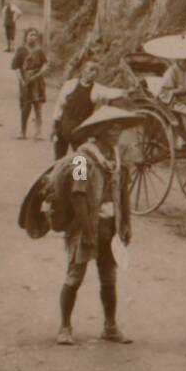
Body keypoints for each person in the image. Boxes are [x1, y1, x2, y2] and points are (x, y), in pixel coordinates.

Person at [57, 106, 139, 346]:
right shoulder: (83, 158)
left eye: (119, 128)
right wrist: (87, 230)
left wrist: (126, 224)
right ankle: (64, 326)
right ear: (99, 131)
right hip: (85, 225)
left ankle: (110, 326)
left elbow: (123, 191)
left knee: (109, 277)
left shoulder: (116, 156)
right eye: (111, 128)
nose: (116, 132)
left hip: (110, 226)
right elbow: (78, 195)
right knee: (75, 276)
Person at [50, 59, 124, 160]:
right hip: (63, 127)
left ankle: (78, 176)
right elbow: (59, 106)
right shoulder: (69, 84)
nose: (94, 73)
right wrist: (54, 127)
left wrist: (125, 92)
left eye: (96, 71)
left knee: (80, 160)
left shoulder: (97, 89)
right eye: (91, 70)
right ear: (83, 71)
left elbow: (109, 93)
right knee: (58, 160)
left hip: (80, 131)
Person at [11, 28, 47, 139]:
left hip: (37, 81)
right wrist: (21, 80)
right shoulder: (21, 50)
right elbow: (15, 67)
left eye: (35, 35)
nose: (33, 37)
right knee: (25, 107)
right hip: (25, 81)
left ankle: (39, 132)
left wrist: (40, 73)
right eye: (30, 35)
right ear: (26, 36)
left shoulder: (39, 50)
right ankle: (23, 131)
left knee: (38, 107)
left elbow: (45, 64)